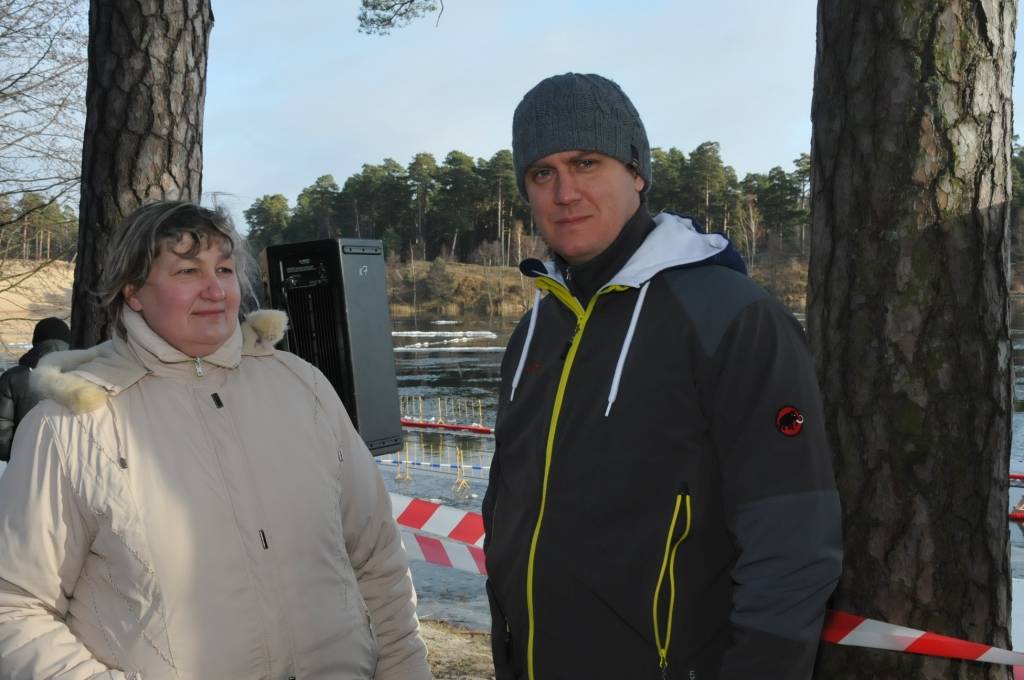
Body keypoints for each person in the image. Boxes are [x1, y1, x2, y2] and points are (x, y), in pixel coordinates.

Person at [481, 73, 842, 680]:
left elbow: (795, 541)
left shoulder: (731, 317)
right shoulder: (534, 331)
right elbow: (510, 514)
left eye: (586, 163)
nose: (565, 192)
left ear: (637, 172)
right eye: (542, 173)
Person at [0, 202, 432, 679]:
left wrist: (405, 671)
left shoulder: (302, 387)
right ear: (133, 291)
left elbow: (378, 557)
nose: (215, 289)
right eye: (187, 271)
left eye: (224, 269)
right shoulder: (71, 425)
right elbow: (15, 608)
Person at [0, 317, 71, 462]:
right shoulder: (83, 374)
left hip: (24, 463)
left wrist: (15, 456)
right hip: (71, 464)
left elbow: (2, 427)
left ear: (35, 342)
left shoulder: (12, 378)